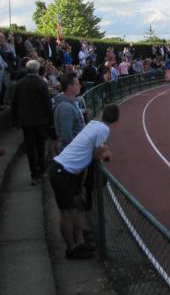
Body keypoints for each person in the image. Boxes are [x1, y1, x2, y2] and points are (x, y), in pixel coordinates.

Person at [48, 104, 118, 260]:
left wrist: (102, 150)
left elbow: (96, 148)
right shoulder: (104, 129)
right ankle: (71, 249)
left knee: (78, 206)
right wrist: (106, 153)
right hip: (62, 171)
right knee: (66, 213)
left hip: (65, 170)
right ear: (116, 121)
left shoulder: (93, 123)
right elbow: (98, 152)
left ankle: (79, 242)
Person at [11, 60, 52, 186]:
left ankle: (34, 174)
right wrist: (50, 119)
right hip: (40, 120)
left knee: (30, 148)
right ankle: (41, 170)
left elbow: (14, 103)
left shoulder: (20, 83)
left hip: (26, 121)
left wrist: (15, 119)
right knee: (40, 146)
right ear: (37, 69)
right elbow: (47, 103)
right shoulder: (41, 83)